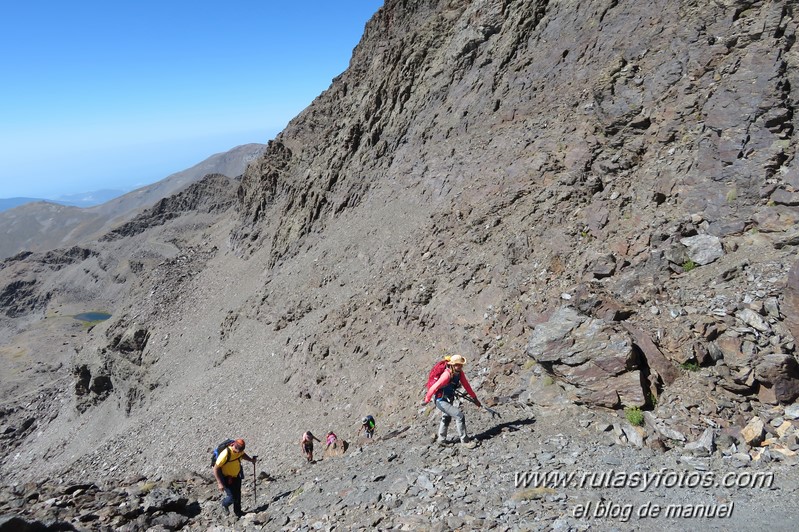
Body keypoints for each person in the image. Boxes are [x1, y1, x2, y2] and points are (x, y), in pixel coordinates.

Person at [422, 354, 481, 448]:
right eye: (458, 364)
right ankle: (465, 441)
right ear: (452, 365)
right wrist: (427, 399)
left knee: (446, 417)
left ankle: (441, 439)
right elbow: (435, 387)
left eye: (461, 365)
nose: (460, 366)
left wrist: (475, 398)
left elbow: (466, 386)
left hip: (448, 398)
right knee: (459, 416)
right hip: (441, 400)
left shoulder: (459, 373)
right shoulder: (446, 375)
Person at [213, 438, 256, 517]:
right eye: (237, 451)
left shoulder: (239, 450)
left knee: (238, 494)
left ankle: (238, 512)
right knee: (232, 497)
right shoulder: (226, 453)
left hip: (237, 475)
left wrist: (251, 460)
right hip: (226, 477)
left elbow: (242, 454)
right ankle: (224, 504)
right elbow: (215, 468)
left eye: (240, 451)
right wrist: (219, 483)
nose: (238, 453)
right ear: (234, 446)